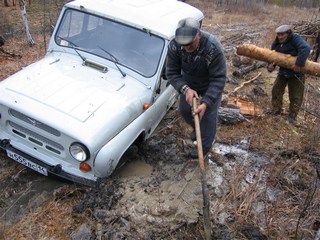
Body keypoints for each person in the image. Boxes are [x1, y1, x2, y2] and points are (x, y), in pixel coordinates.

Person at [166, 18, 227, 158]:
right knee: (185, 110)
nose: (187, 48)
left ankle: (205, 147)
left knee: (208, 117)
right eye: (184, 45)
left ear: (198, 35)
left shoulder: (213, 48)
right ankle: (197, 130)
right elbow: (172, 73)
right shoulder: (174, 45)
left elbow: (219, 78)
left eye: (190, 44)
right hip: (189, 83)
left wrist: (206, 102)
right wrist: (185, 89)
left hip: (210, 84)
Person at [267, 24, 311, 125]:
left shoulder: (295, 39)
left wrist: (298, 64)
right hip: (283, 72)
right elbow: (272, 54)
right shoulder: (277, 42)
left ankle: (292, 117)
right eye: (278, 35)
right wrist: (270, 66)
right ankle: (276, 110)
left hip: (296, 73)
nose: (280, 37)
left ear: (288, 33)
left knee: (295, 96)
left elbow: (305, 48)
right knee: (276, 90)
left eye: (282, 34)